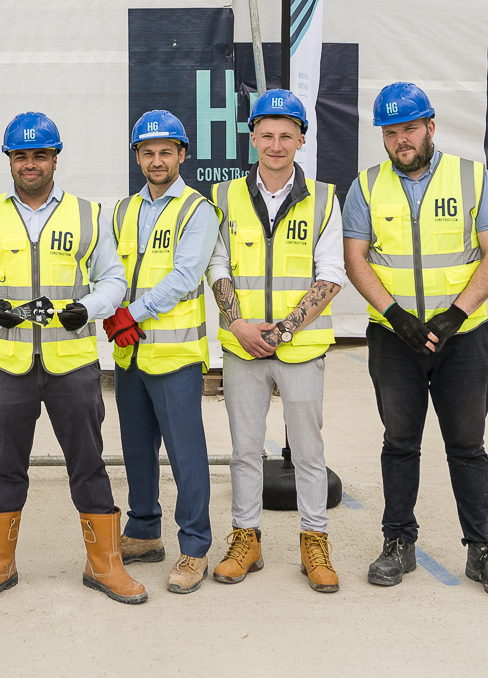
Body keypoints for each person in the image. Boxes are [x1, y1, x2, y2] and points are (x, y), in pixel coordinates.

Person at [0, 112, 146, 605]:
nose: (30, 164)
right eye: (21, 156)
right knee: (5, 465)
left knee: (89, 464)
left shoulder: (86, 214)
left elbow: (114, 280)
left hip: (71, 365)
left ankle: (105, 565)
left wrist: (90, 309)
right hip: (7, 365)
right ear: (9, 161)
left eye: (40, 155)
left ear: (55, 159)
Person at [343, 81, 488, 600]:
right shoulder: (366, 186)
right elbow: (357, 258)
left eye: (410, 128)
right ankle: (398, 543)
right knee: (400, 444)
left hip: (462, 339)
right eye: (391, 131)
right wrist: (394, 314)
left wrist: (453, 316)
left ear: (430, 127)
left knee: (467, 446)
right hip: (394, 339)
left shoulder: (474, 178)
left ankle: (482, 551)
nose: (401, 139)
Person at [207, 89, 344, 595]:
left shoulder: (327, 198)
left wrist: (284, 331)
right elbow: (216, 263)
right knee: (245, 450)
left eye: (287, 135)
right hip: (242, 347)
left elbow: (331, 275)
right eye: (266, 134)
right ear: (252, 138)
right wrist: (241, 324)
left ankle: (315, 541)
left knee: (308, 451)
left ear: (301, 139)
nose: (276, 143)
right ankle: (247, 538)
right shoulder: (223, 197)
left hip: (301, 349)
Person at [101, 110, 219, 595]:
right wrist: (112, 310)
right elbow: (108, 270)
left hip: (174, 357)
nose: (156, 160)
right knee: (136, 450)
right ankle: (145, 530)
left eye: (165, 152)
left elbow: (184, 278)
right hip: (130, 355)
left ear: (182, 155)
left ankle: (194, 548)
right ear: (137, 157)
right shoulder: (123, 211)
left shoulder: (198, 210)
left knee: (186, 455)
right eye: (147, 152)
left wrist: (132, 313)